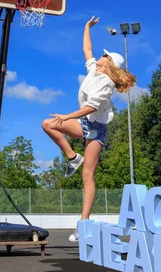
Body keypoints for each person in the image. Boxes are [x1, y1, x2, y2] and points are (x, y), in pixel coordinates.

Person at [41, 16, 137, 242]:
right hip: (84, 122)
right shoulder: (94, 71)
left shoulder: (106, 84)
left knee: (88, 176)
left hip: (95, 128)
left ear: (109, 63)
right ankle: (73, 157)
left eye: (104, 56)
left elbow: (91, 107)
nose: (100, 56)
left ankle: (83, 223)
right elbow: (87, 49)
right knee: (47, 124)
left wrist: (67, 116)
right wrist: (86, 27)